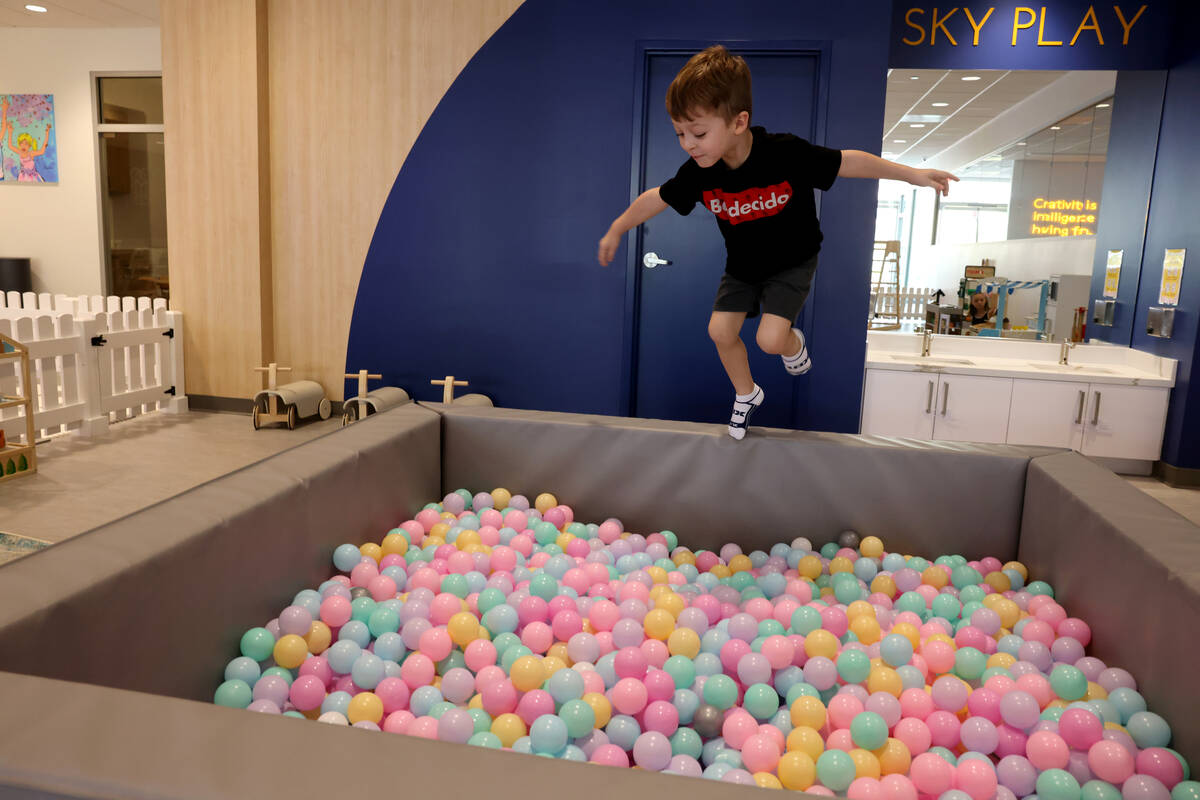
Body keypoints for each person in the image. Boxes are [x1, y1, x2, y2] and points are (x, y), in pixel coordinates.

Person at [597, 45, 957, 439]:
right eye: (680, 133)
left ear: (739, 122)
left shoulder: (783, 153)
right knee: (719, 331)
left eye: (698, 133)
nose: (688, 144)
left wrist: (910, 174)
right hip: (743, 268)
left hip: (793, 260)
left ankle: (792, 344)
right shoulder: (699, 173)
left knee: (770, 340)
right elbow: (656, 198)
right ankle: (747, 393)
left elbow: (847, 161)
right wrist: (618, 227)